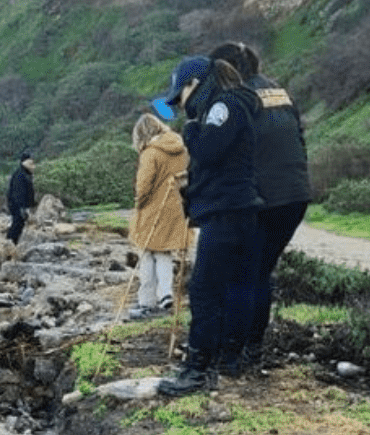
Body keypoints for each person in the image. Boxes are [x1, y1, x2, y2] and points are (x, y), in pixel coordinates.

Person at [155, 55, 262, 396]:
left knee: (204, 291)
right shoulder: (227, 105)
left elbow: (209, 152)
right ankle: (224, 360)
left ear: (194, 85)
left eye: (180, 95)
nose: (180, 104)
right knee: (232, 287)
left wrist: (190, 131)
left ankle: (198, 370)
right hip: (236, 209)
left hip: (228, 211)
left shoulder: (223, 107)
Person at [209, 41, 311, 372]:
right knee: (260, 274)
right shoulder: (279, 94)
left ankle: (232, 356)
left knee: (240, 275)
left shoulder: (236, 100)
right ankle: (252, 349)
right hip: (294, 194)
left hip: (259, 199)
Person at [128, 113, 191, 318]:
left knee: (146, 254)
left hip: (153, 210)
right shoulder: (180, 148)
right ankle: (165, 294)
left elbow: (143, 186)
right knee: (163, 252)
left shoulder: (150, 153)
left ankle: (146, 302)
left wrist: (139, 203)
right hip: (174, 207)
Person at [5, 151, 36, 246]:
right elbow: (18, 193)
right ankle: (8, 244)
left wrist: (31, 204)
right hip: (17, 205)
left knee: (19, 225)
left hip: (20, 205)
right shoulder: (20, 175)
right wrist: (22, 208)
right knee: (17, 224)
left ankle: (12, 244)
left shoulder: (25, 173)